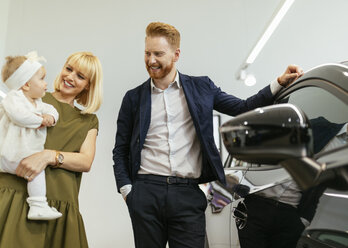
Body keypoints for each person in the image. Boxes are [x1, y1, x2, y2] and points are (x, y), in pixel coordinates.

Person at [112, 21, 303, 248]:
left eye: (158, 54)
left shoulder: (201, 87)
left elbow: (242, 107)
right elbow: (120, 150)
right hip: (146, 192)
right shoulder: (133, 98)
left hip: (187, 194)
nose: (151, 60)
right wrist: (128, 192)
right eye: (147, 53)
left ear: (176, 54)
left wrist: (278, 83)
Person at [0, 51, 103, 248]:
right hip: (15, 196)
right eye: (69, 69)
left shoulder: (88, 120)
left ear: (88, 85)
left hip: (60, 203)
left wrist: (49, 156)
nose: (70, 77)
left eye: (80, 76)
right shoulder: (32, 98)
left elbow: (85, 161)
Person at [235, 118, 348, 248]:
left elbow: (323, 186)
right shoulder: (320, 127)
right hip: (258, 204)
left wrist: (302, 222)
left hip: (290, 213)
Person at [0, 51, 62, 220]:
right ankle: (38, 205)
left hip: (8, 153)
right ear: (25, 85)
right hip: (6, 152)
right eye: (42, 79)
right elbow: (18, 116)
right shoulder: (13, 98)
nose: (46, 83)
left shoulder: (37, 102)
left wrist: (51, 118)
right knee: (36, 171)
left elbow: (52, 110)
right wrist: (40, 120)